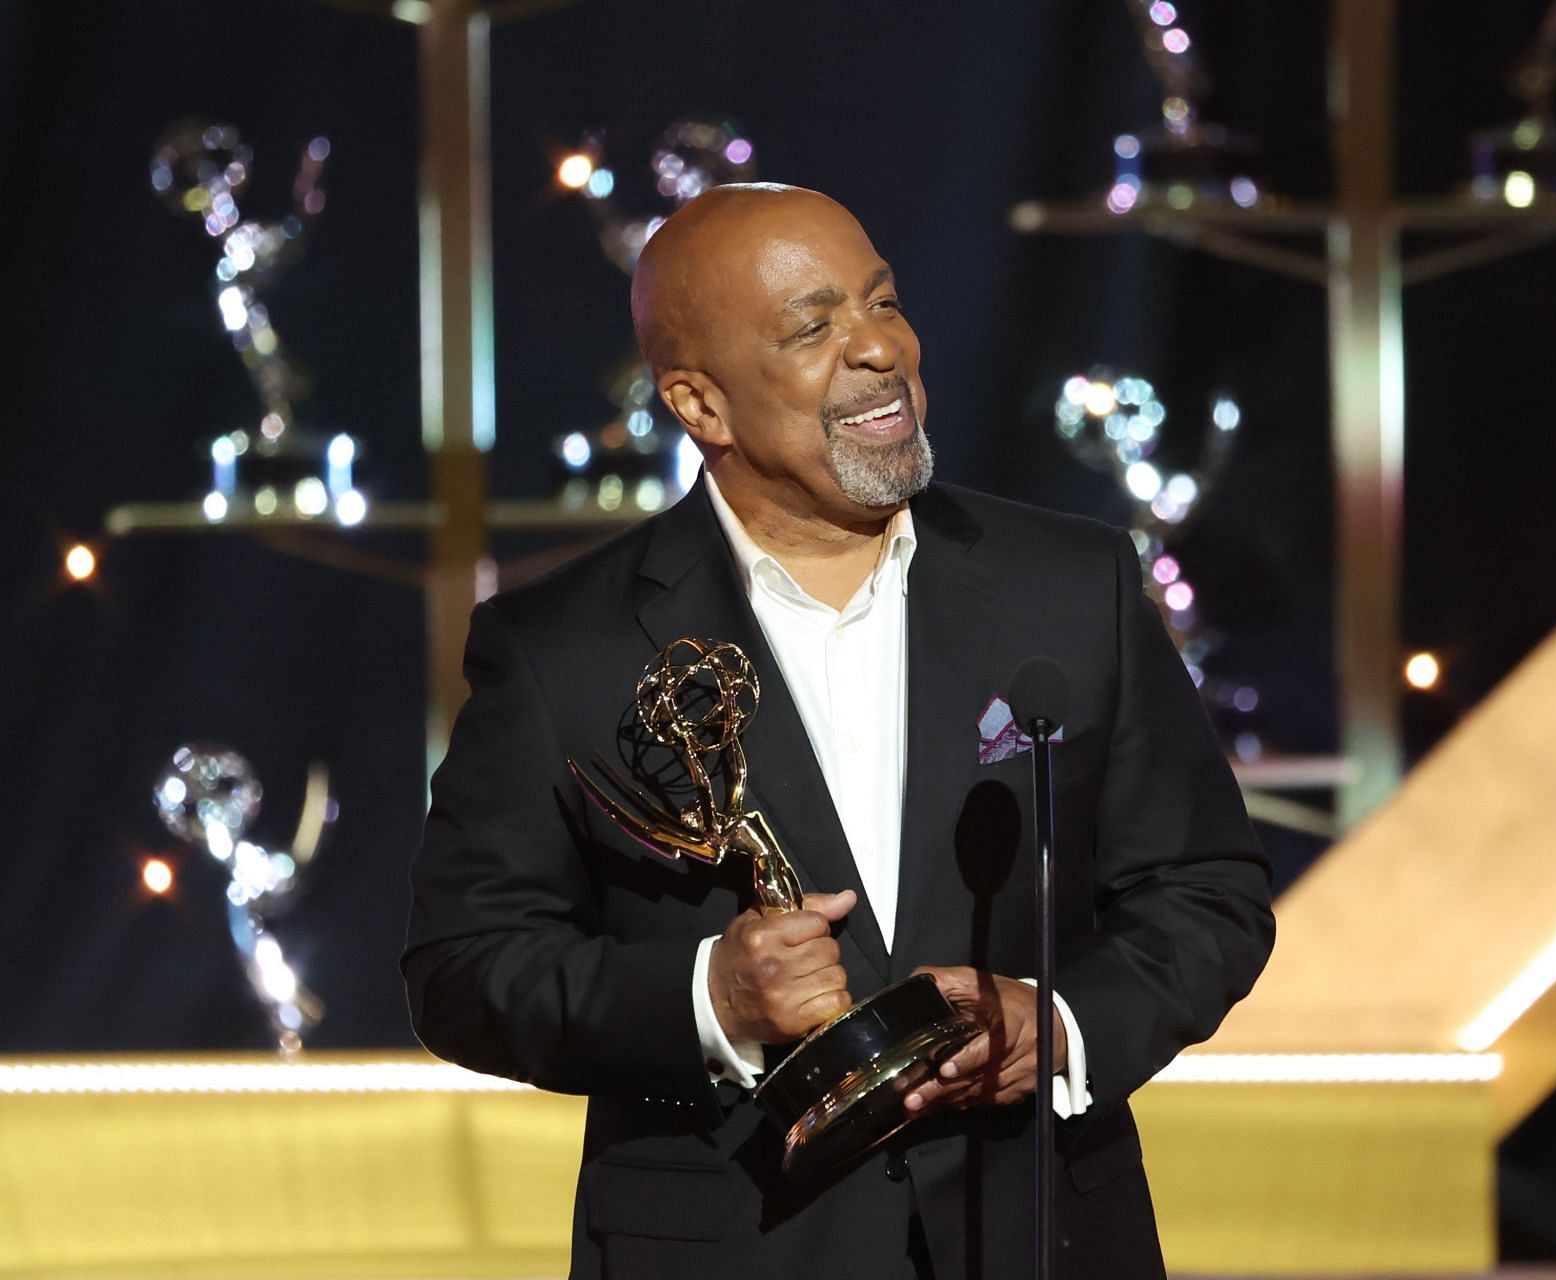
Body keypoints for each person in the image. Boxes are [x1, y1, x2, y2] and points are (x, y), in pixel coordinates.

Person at [403, 183, 1274, 1279]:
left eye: (885, 302)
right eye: (814, 326)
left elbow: (1208, 892)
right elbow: (463, 968)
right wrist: (705, 999)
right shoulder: (560, 647)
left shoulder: (1072, 585)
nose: (879, 350)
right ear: (700, 404)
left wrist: (1058, 1022)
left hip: (1038, 1236)